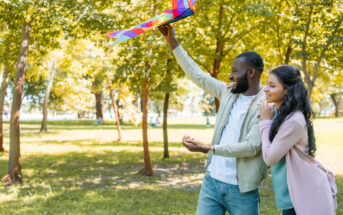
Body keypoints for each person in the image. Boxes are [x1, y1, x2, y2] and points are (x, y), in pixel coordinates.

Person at [159, 24, 267, 215]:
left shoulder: (266, 105)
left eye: (235, 71)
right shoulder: (228, 92)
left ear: (251, 73)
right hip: (212, 182)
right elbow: (198, 75)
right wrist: (173, 42)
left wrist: (207, 148)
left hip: (241, 189)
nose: (230, 75)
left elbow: (251, 147)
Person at [258, 65, 337, 215]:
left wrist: (265, 122)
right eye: (267, 84)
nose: (266, 89)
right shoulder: (280, 113)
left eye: (272, 85)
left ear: (287, 90)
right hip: (292, 194)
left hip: (305, 194)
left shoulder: (293, 120)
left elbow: (269, 158)